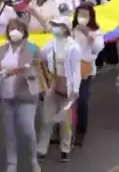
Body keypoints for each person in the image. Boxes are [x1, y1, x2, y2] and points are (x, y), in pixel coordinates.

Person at [0, 19, 44, 172]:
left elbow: (43, 69)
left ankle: (33, 159)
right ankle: (11, 162)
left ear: (24, 30)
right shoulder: (1, 50)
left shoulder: (32, 48)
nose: (14, 31)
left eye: (17, 28)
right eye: (11, 28)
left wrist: (31, 74)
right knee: (9, 132)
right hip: (6, 96)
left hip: (26, 96)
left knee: (28, 129)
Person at [37, 17, 82, 162]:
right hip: (53, 84)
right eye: (54, 25)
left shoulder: (74, 47)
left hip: (67, 86)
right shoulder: (51, 44)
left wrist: (75, 90)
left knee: (65, 121)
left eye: (58, 25)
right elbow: (41, 56)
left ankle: (65, 149)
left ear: (66, 28)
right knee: (46, 118)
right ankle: (42, 149)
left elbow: (76, 70)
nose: (55, 28)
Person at [71, 3, 104, 146]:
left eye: (85, 15)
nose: (82, 18)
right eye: (80, 14)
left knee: (82, 99)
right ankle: (61, 131)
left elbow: (97, 49)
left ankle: (80, 132)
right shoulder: (71, 29)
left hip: (85, 68)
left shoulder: (96, 31)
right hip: (70, 67)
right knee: (65, 100)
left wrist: (89, 36)